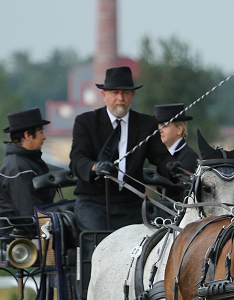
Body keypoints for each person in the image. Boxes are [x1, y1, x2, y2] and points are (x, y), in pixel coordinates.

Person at [68, 66, 177, 233]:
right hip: (93, 205)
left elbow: (161, 157)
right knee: (99, 248)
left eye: (125, 93)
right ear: (104, 95)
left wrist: (173, 166)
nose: (120, 98)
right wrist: (95, 167)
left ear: (132, 96)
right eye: (114, 93)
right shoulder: (86, 122)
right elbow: (77, 159)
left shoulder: (146, 124)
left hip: (132, 205)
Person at [0, 108, 55, 234]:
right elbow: (29, 212)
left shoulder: (22, 162)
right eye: (41, 132)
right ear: (28, 136)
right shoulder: (18, 167)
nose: (44, 137)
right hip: (24, 238)